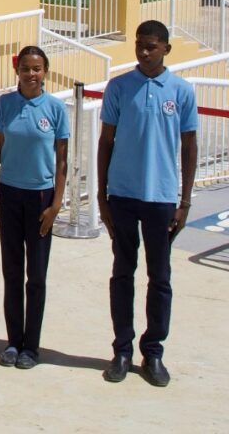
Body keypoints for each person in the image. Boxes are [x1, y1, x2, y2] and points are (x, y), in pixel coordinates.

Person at [97, 20, 197, 387]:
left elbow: (189, 145)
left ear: (166, 49)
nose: (143, 51)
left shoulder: (181, 91)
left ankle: (152, 351)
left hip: (161, 199)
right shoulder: (120, 87)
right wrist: (102, 195)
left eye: (151, 46)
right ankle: (121, 349)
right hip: (122, 196)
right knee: (123, 273)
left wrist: (184, 201)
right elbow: (105, 141)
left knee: (160, 277)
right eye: (139, 44)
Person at [0, 46, 69, 370]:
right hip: (9, 195)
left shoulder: (55, 108)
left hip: (41, 199)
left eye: (37, 68)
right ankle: (12, 342)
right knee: (11, 272)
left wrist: (56, 205)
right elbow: (0, 151)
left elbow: (62, 160)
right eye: (25, 68)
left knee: (35, 276)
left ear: (45, 71)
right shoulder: (7, 104)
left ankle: (31, 347)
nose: (31, 74)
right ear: (17, 71)